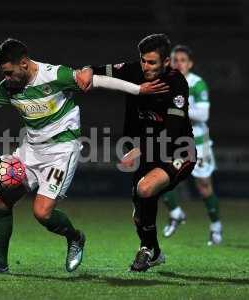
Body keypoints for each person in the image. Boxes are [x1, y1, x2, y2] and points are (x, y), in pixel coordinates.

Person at [0, 38, 167, 274]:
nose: (6, 78)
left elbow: (99, 81)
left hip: (61, 151)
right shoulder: (9, 88)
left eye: (9, 72)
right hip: (30, 150)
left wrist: (138, 89)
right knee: (0, 202)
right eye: (3, 74)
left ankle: (75, 237)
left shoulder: (55, 75)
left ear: (24, 63)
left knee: (42, 213)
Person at [76, 33, 196, 272]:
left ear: (166, 63)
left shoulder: (176, 83)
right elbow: (99, 70)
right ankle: (154, 251)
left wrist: (140, 149)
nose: (145, 66)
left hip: (178, 150)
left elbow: (173, 131)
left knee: (145, 189)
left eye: (152, 62)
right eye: (143, 60)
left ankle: (146, 251)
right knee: (139, 216)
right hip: (146, 153)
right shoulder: (133, 71)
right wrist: (87, 70)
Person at [162, 45, 222, 246]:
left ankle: (215, 227)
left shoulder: (197, 84)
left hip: (198, 143)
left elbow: (203, 115)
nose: (179, 63)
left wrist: (179, 110)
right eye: (175, 59)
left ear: (190, 64)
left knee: (204, 187)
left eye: (182, 60)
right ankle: (176, 213)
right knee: (161, 178)